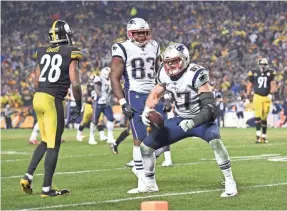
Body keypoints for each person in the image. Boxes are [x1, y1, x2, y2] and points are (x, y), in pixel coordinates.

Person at [129, 43, 237, 198]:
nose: (170, 65)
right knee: (146, 148)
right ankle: (149, 184)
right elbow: (155, 94)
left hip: (200, 119)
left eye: (174, 61)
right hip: (180, 118)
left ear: (184, 60)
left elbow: (211, 109)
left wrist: (194, 121)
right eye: (167, 62)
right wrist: (147, 109)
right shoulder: (163, 74)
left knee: (216, 142)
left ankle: (229, 180)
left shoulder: (195, 74)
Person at [20, 20, 82, 197]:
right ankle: (47, 189)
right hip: (52, 99)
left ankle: (27, 177)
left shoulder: (42, 51)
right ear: (66, 35)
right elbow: (75, 83)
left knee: (46, 140)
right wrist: (78, 105)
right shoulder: (71, 51)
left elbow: (36, 79)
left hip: (38, 97)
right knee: (54, 145)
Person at [110, 18, 172, 173]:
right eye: (138, 33)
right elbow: (114, 77)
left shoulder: (155, 45)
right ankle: (140, 173)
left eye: (145, 33)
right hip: (135, 94)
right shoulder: (121, 48)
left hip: (154, 94)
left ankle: (148, 159)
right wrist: (123, 102)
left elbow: (161, 73)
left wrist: (166, 96)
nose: (143, 36)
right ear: (131, 34)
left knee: (165, 132)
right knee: (139, 136)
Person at [247, 58, 277, 143]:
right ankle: (257, 136)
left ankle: (263, 136)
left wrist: (272, 94)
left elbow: (273, 84)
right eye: (261, 64)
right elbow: (250, 84)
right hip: (257, 96)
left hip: (266, 96)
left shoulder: (270, 72)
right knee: (257, 116)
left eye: (264, 65)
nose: (263, 66)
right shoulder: (253, 72)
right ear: (259, 65)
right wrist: (248, 95)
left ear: (266, 65)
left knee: (264, 117)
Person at [92, 67, 115, 144]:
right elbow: (97, 89)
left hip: (106, 103)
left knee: (111, 118)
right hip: (98, 102)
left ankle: (110, 137)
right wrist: (101, 96)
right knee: (95, 121)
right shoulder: (99, 79)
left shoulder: (111, 81)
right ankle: (91, 138)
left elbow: (111, 92)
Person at [76, 74, 98, 144]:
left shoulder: (98, 85)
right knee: (85, 120)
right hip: (88, 105)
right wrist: (90, 98)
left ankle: (100, 136)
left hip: (96, 105)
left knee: (98, 120)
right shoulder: (87, 86)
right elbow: (86, 96)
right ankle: (79, 134)